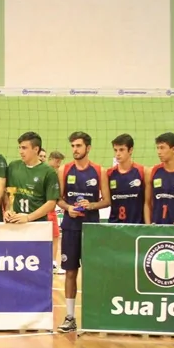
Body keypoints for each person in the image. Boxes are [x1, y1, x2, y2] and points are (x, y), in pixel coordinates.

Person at [57, 131, 110, 334]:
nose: (75, 149)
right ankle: (70, 317)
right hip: (70, 226)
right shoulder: (64, 169)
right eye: (72, 146)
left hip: (91, 228)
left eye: (78, 146)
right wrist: (68, 208)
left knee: (91, 273)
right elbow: (58, 199)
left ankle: (91, 317)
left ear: (88, 148)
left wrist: (92, 205)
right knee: (70, 272)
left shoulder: (99, 170)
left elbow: (107, 200)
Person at [4, 132, 60, 224]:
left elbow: (51, 203)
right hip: (15, 222)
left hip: (37, 224)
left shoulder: (48, 172)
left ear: (36, 149)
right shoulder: (13, 166)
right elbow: (6, 192)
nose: (21, 151)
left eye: (24, 148)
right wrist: (7, 210)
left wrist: (28, 218)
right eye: (20, 147)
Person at [107, 134, 145, 224]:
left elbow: (148, 202)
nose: (117, 154)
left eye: (121, 150)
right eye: (115, 150)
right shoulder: (109, 173)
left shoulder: (142, 171)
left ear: (130, 150)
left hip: (137, 226)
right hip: (114, 225)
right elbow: (105, 200)